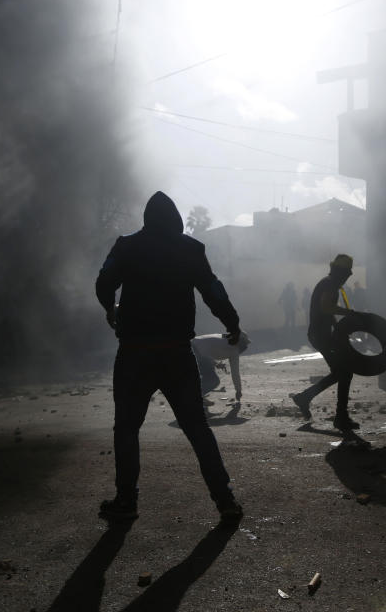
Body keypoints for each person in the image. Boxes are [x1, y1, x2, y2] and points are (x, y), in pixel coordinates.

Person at [95, 191, 243, 524]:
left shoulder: (127, 246)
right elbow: (212, 290)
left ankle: (126, 501)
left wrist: (110, 309)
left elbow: (104, 282)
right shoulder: (191, 249)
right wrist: (232, 323)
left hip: (134, 353)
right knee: (197, 429)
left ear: (147, 220)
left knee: (127, 429)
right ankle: (225, 500)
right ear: (175, 220)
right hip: (176, 353)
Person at [290, 254, 360, 431]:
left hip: (321, 335)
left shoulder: (329, 283)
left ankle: (305, 398)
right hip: (320, 336)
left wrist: (339, 328)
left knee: (341, 372)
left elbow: (327, 313)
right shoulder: (329, 284)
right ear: (340, 272)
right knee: (344, 372)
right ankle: (340, 417)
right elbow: (326, 307)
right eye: (346, 274)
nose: (347, 277)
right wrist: (349, 313)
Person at [192, 332, 250, 401]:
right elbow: (203, 352)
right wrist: (216, 363)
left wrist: (238, 390)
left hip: (195, 347)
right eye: (244, 343)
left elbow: (235, 372)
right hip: (195, 349)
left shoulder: (225, 342)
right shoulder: (229, 346)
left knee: (206, 378)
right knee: (213, 380)